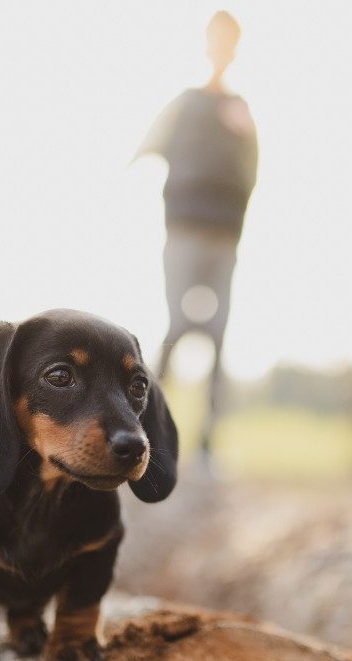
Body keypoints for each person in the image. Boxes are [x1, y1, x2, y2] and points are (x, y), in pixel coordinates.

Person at [135, 10, 258, 456]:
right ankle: (146, 431)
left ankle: (206, 446)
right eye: (217, 38)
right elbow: (147, 145)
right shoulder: (185, 103)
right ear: (207, 42)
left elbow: (252, 169)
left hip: (225, 235)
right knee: (176, 327)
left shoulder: (240, 109)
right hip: (183, 230)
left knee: (218, 335)